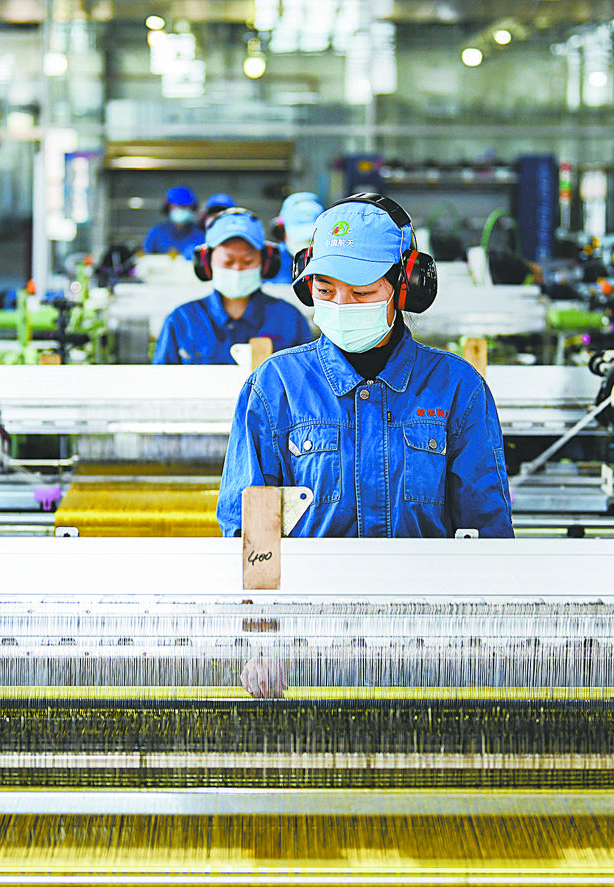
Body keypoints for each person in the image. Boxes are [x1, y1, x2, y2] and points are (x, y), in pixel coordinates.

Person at [219, 194, 514, 697]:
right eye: (325, 289)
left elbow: (487, 531)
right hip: (303, 650)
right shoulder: (275, 387)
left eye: (362, 291)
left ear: (405, 286)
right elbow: (247, 535)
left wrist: (483, 645)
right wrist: (261, 641)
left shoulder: (457, 389)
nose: (340, 306)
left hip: (428, 649)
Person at [152, 207, 313, 365]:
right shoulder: (182, 320)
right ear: (206, 263)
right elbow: (159, 379)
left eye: (248, 261)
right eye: (228, 262)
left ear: (266, 263)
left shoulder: (289, 319)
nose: (237, 269)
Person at [267, 191, 324, 283]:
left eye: (311, 239)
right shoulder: (269, 263)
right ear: (281, 230)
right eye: (299, 238)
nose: (306, 244)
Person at [142, 185, 205, 257]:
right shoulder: (157, 232)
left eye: (184, 207)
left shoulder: (199, 233)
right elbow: (145, 257)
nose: (180, 209)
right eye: (176, 206)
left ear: (192, 208)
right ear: (168, 208)